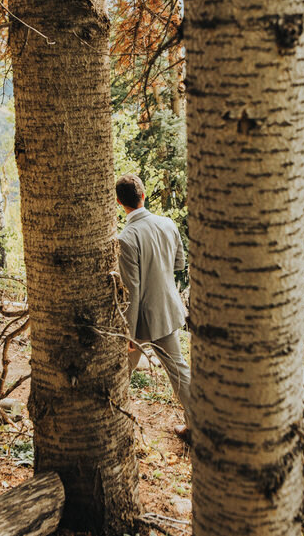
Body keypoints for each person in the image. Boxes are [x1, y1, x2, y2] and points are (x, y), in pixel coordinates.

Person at [116, 173, 191, 441]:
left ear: (118, 202)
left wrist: (128, 333)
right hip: (168, 310)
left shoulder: (126, 238)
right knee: (179, 371)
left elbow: (132, 290)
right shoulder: (167, 224)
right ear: (144, 195)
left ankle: (111, 422)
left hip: (140, 321)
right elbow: (180, 264)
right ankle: (200, 426)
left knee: (120, 373)